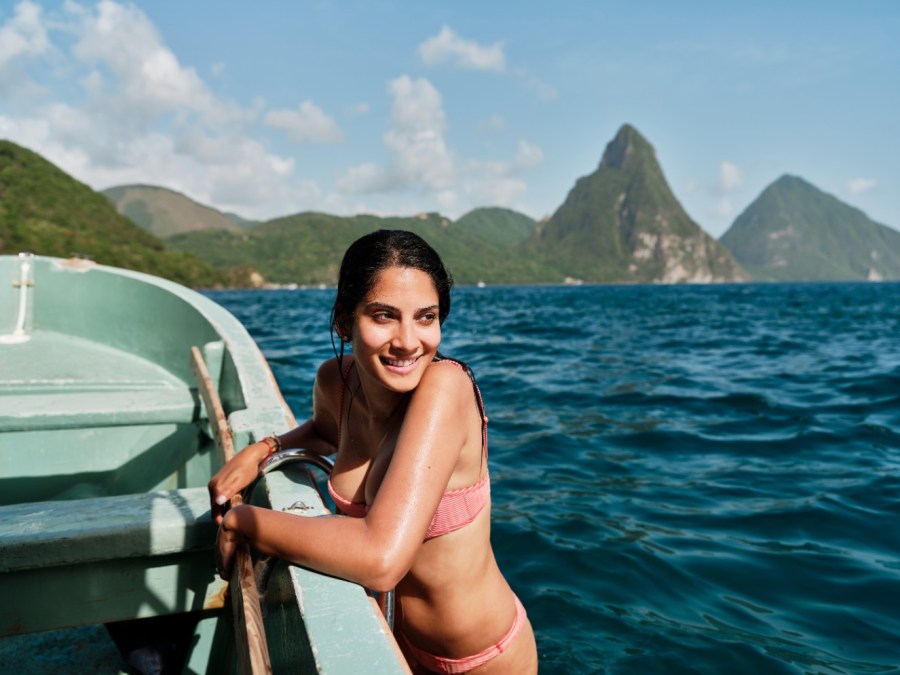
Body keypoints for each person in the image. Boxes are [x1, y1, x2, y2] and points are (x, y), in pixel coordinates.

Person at [209, 229, 538, 674]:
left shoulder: (446, 388)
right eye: (384, 316)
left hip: (481, 659)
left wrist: (245, 520)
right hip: (396, 642)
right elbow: (326, 432)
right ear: (345, 322)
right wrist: (268, 448)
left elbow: (381, 560)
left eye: (426, 317)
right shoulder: (337, 384)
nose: (408, 341)